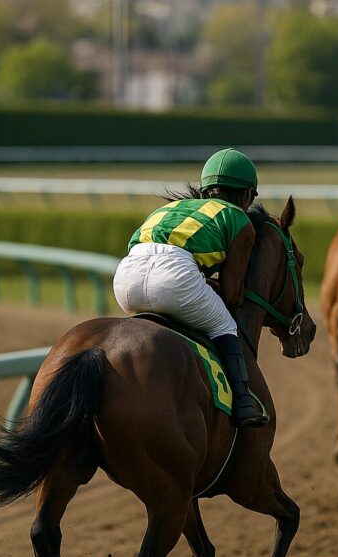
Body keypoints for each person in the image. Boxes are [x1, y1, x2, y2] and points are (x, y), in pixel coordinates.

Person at [113, 148, 268, 428]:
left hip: (126, 277)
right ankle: (244, 400)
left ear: (205, 189)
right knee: (224, 325)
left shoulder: (167, 208)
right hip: (175, 276)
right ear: (247, 195)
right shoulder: (239, 218)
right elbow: (233, 294)